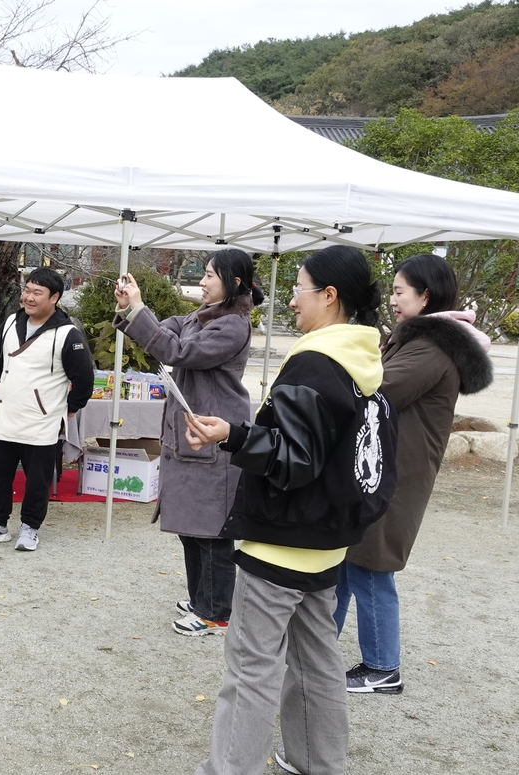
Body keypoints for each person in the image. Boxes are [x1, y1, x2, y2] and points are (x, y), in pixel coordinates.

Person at [183, 245, 397, 775]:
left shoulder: (314, 362)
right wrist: (238, 433)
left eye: (299, 288)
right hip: (326, 541)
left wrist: (233, 436)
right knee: (316, 663)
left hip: (281, 539)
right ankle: (315, 761)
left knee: (252, 669)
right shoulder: (363, 360)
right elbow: (321, 449)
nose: (292, 301)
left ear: (329, 295)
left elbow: (295, 458)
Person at [335, 254, 492, 695]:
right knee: (350, 561)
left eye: (401, 291)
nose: (394, 299)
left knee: (371, 565)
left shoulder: (431, 347)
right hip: (382, 467)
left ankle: (383, 667)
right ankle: (318, 646)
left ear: (426, 296)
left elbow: (377, 389)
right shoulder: (418, 340)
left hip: (397, 474)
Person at [113, 250, 263, 636]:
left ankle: (215, 611)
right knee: (191, 526)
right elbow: (167, 332)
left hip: (214, 433)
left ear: (234, 283)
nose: (203, 281)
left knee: (212, 529)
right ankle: (201, 597)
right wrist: (133, 310)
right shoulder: (204, 316)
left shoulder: (233, 325)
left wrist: (141, 313)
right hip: (194, 434)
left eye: (210, 275)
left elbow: (179, 351)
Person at [0, 267, 94, 552]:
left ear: (55, 297)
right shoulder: (12, 321)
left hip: (42, 421)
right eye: (27, 290)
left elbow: (85, 378)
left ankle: (30, 528)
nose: (29, 297)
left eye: (38, 292)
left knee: (37, 480)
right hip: (4, 415)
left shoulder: (67, 334)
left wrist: (70, 408)